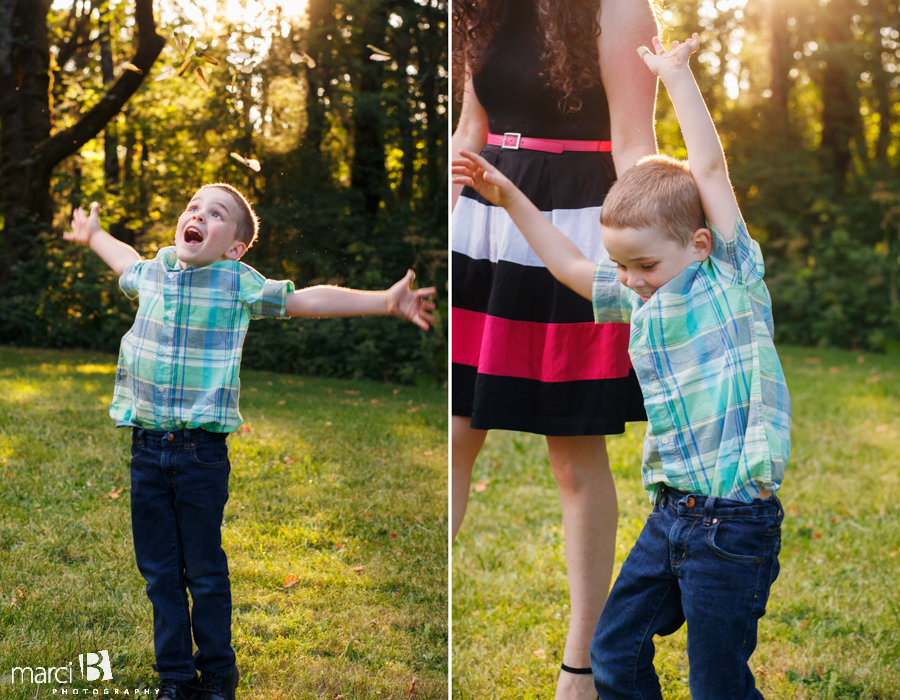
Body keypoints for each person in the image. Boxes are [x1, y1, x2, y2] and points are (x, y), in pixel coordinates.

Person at [453, 33, 791, 699]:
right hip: (670, 516)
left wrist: (675, 78)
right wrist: (512, 197)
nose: (631, 281)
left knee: (717, 683)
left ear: (697, 245)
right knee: (614, 652)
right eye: (624, 266)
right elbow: (573, 267)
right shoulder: (641, 295)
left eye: (643, 266)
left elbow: (711, 171)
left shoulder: (731, 278)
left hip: (733, 522)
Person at [64, 184, 436, 700]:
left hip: (200, 455)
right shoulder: (156, 269)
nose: (198, 215)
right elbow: (125, 258)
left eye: (216, 215)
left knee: (205, 572)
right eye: (194, 207)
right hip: (146, 449)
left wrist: (383, 301)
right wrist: (95, 234)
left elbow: (305, 300)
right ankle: (174, 678)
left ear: (235, 247)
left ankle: (217, 674)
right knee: (159, 573)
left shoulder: (236, 282)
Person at [451, 0, 658, 695]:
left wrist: (657, 241)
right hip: (480, 225)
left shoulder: (621, 8)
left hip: (573, 224)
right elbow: (470, 131)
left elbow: (634, 144)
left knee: (572, 452)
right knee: (453, 431)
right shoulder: (475, 7)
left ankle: (580, 669)